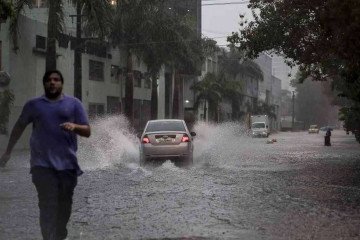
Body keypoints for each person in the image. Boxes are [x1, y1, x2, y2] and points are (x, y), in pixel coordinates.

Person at [0, 70, 91, 240]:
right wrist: (8, 151)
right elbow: (19, 126)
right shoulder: (33, 105)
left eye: (56, 80)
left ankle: (59, 234)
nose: (52, 82)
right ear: (44, 84)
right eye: (49, 80)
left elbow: (87, 131)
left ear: (61, 84)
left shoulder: (74, 104)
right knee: (47, 206)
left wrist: (74, 126)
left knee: (64, 210)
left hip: (68, 167)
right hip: (41, 166)